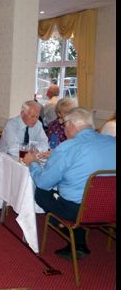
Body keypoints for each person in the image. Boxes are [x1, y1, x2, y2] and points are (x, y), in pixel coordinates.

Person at [23, 107, 116, 261]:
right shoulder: (112, 142)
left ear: (71, 125)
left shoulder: (67, 147)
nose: (64, 129)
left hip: (78, 211)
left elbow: (43, 182)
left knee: (41, 193)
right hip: (111, 209)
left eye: (64, 125)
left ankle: (76, 239)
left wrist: (32, 164)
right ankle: (78, 239)